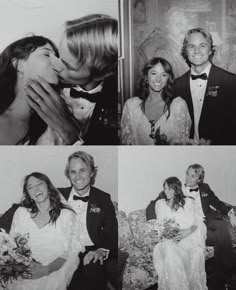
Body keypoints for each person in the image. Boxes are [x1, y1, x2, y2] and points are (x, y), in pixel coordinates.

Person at [0, 151, 118, 290]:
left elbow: (112, 233)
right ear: (68, 175)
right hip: (60, 252)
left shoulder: (103, 198)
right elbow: (23, 206)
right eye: (73, 172)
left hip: (89, 252)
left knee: (93, 271)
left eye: (83, 171)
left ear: (92, 173)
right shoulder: (57, 193)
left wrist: (101, 251)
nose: (78, 176)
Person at [25, 14, 119, 145]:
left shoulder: (119, 104)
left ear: (100, 74)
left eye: (68, 66)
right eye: (59, 55)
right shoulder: (47, 87)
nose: (56, 66)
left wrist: (69, 131)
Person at [147, 164, 236, 290]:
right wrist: (153, 221)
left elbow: (217, 202)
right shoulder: (177, 188)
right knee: (221, 238)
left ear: (199, 179)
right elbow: (153, 204)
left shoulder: (205, 188)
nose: (188, 178)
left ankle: (227, 274)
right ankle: (223, 277)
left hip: (206, 220)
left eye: (192, 176)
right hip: (192, 225)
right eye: (187, 174)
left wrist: (231, 213)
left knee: (222, 226)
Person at [4, 172, 84, 290]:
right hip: (24, 269)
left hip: (53, 268)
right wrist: (20, 268)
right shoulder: (21, 213)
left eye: (39, 184)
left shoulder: (67, 216)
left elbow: (69, 253)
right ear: (29, 195)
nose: (36, 189)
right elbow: (13, 246)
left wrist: (46, 270)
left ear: (49, 188)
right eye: (30, 187)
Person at [0, 35, 79, 145]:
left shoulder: (62, 121)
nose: (58, 64)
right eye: (46, 54)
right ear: (19, 65)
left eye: (57, 57)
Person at [174, 28, 236, 145]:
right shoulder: (176, 86)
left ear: (210, 50)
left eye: (202, 45)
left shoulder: (230, 82)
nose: (197, 51)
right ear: (186, 51)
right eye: (191, 46)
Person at [151, 177, 207, 290]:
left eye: (169, 189)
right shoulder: (160, 204)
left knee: (179, 252)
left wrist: (188, 231)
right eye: (165, 189)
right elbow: (159, 224)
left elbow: (198, 222)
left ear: (176, 189)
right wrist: (166, 232)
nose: (166, 191)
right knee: (169, 248)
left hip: (187, 238)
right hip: (167, 241)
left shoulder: (189, 202)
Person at [121, 57, 191, 145]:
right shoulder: (131, 106)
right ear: (146, 77)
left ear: (168, 79)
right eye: (154, 73)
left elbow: (183, 145)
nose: (158, 79)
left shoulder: (178, 106)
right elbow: (126, 146)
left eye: (164, 75)